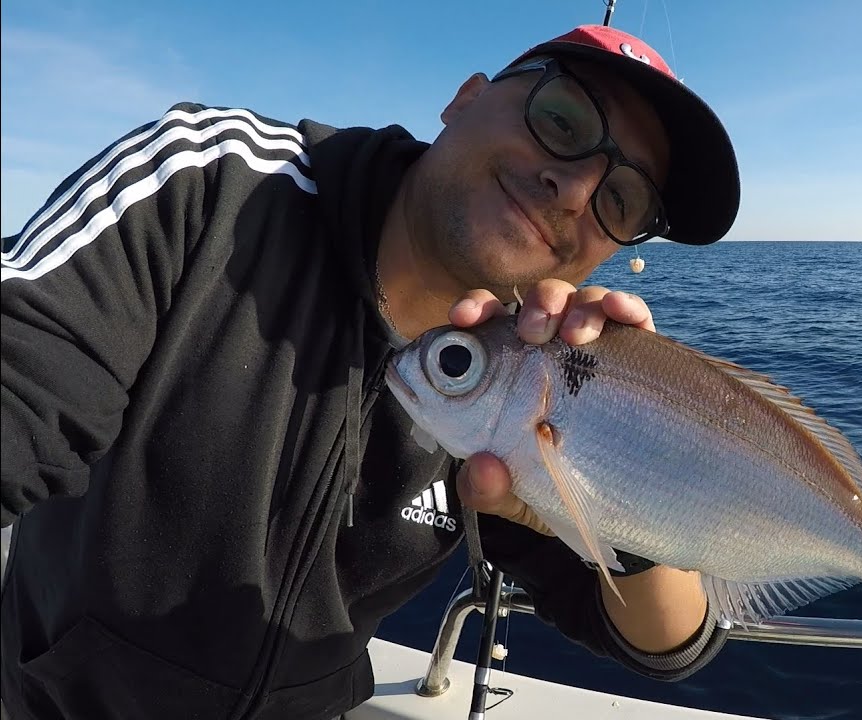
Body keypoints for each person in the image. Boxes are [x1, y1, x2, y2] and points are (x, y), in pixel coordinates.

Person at [0, 24, 740, 720]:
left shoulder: (529, 385)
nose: (574, 190)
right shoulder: (211, 189)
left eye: (621, 199)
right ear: (466, 99)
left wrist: (630, 463)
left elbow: (661, 643)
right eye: (563, 121)